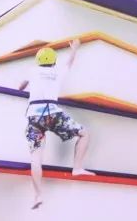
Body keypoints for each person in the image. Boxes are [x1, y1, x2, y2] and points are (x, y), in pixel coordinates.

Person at [18, 39, 94, 210]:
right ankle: (77, 168)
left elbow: (21, 86)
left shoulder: (32, 71)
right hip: (52, 114)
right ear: (53, 62)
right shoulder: (58, 71)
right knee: (84, 133)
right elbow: (69, 62)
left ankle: (38, 195)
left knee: (36, 158)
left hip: (34, 116)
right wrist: (74, 49)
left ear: (38, 61)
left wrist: (21, 89)